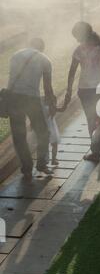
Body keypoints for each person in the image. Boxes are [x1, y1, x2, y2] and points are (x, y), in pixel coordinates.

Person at [8, 38, 56, 181]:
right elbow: (47, 88)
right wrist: (52, 105)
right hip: (31, 99)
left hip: (14, 98)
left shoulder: (15, 55)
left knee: (19, 135)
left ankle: (26, 168)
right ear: (42, 47)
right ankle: (41, 163)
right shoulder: (44, 59)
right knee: (43, 132)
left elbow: (11, 78)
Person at [65, 22, 100, 163]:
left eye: (76, 36)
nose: (76, 39)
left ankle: (95, 152)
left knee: (91, 120)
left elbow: (72, 71)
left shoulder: (79, 50)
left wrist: (69, 89)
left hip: (85, 89)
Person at [41, 98, 61, 166]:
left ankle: (44, 161)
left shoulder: (41, 106)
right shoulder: (50, 108)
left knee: (44, 145)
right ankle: (53, 159)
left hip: (43, 127)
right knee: (54, 144)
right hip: (51, 127)